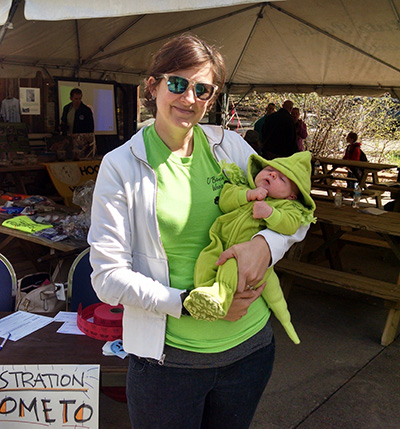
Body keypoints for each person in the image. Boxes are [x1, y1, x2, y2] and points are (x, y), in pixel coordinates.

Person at [88, 34, 309, 429]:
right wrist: (188, 303)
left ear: (212, 97)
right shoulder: (120, 166)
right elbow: (107, 277)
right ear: (152, 86)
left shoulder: (232, 148)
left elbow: (296, 210)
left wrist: (265, 245)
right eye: (177, 83)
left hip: (250, 351)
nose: (189, 98)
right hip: (169, 365)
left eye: (202, 89)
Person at [184, 151, 316, 345]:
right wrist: (247, 195)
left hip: (244, 258)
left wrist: (270, 213)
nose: (272, 175)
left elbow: (291, 225)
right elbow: (224, 200)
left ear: (292, 195)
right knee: (206, 261)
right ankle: (203, 294)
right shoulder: (242, 187)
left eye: (281, 178)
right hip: (218, 242)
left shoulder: (288, 207)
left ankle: (220, 298)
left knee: (231, 269)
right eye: (270, 169)